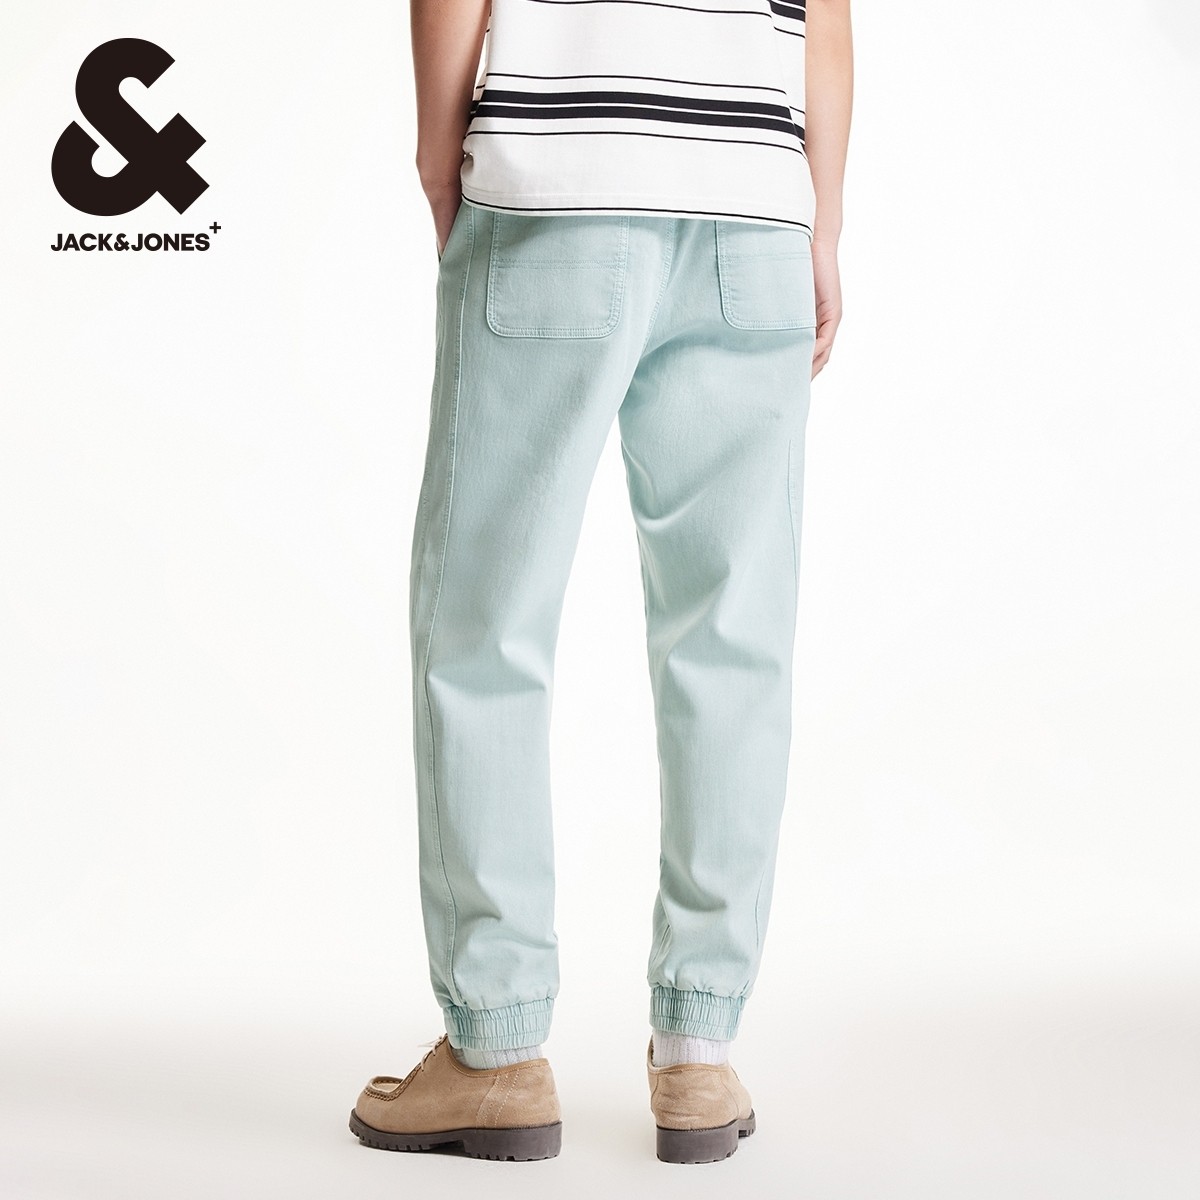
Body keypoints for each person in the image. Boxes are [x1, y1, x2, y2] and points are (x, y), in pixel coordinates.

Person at [348, 0, 852, 1164]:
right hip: (755, 204)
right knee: (732, 638)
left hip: (557, 183)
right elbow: (825, 16)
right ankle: (700, 1054)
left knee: (484, 625)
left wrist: (441, 160)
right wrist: (820, 222)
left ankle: (495, 1051)